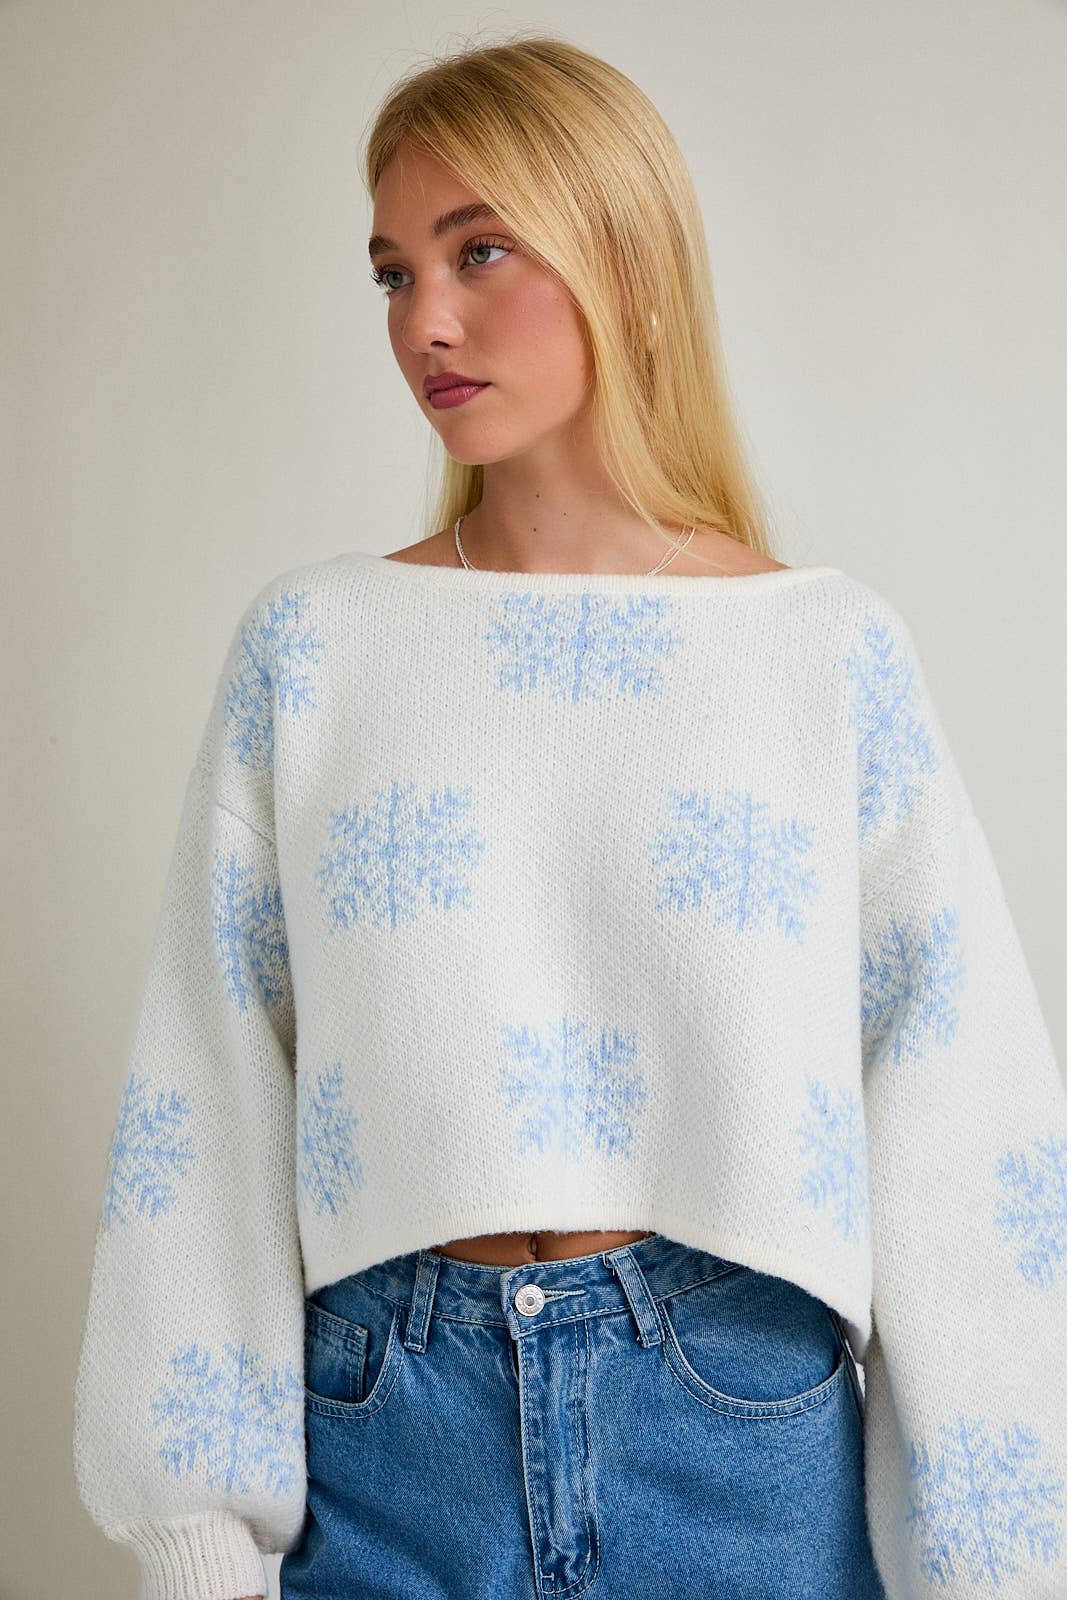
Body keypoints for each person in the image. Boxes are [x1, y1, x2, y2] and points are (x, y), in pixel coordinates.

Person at [72, 32, 1067, 1600]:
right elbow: (205, 1089)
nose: (425, 321)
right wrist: (195, 1543)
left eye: (480, 251)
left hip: (738, 1437)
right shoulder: (316, 649)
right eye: (393, 272)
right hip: (388, 1434)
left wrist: (997, 1563)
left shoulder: (821, 654)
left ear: (630, 262)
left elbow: (965, 1115)